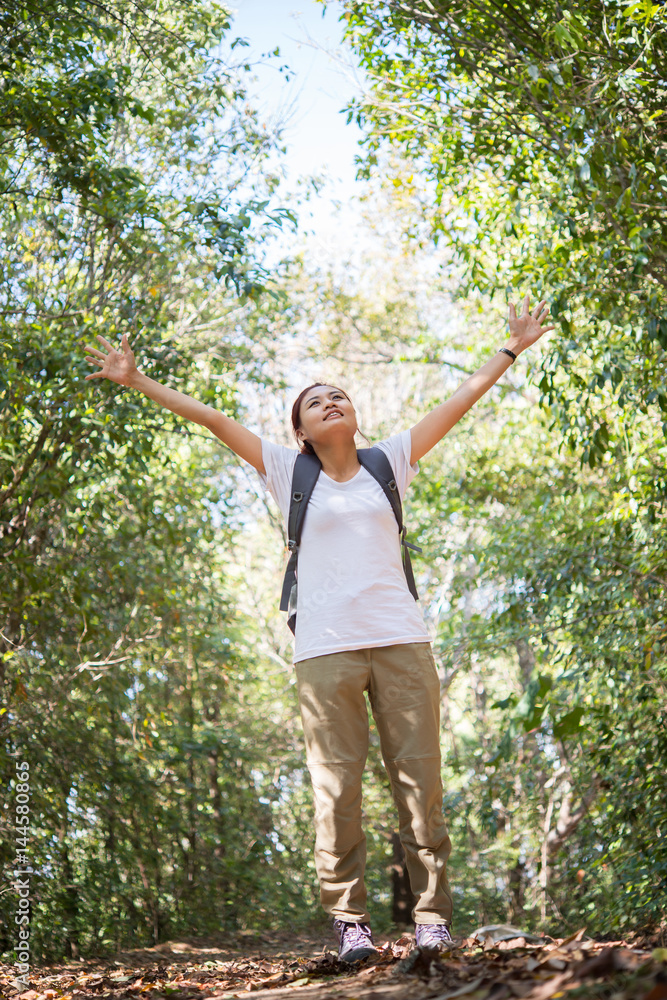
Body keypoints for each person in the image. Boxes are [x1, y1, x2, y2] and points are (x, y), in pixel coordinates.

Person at [84, 294, 553, 961]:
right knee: (336, 790)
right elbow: (214, 420)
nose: (330, 401)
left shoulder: (391, 460)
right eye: (315, 400)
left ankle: (430, 921)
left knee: (420, 785)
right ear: (300, 431)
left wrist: (511, 348)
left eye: (339, 395)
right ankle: (351, 924)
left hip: (401, 641)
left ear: (355, 417)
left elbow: (460, 399)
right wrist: (137, 381)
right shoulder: (286, 470)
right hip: (323, 652)